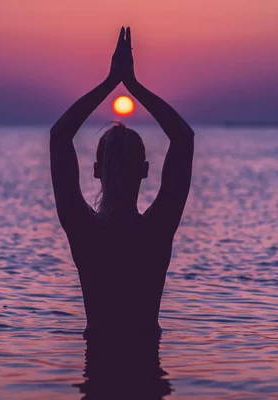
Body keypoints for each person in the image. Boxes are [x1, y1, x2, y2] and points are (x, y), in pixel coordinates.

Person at [50, 27, 194, 338]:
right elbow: (183, 138)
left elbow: (59, 137)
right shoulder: (157, 230)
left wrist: (110, 82)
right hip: (148, 378)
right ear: (144, 170)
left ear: (97, 171)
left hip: (97, 377)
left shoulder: (84, 231)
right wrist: (133, 85)